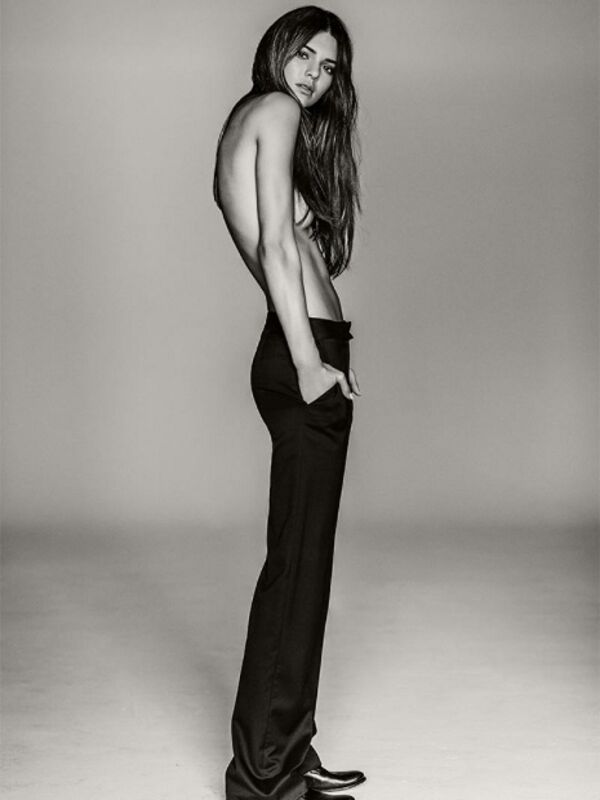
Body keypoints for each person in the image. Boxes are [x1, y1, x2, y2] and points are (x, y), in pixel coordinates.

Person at [213, 7, 364, 800]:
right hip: (302, 355)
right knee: (297, 567)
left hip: (308, 352)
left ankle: (288, 750)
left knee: (305, 567)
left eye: (328, 66)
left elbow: (287, 242)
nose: (313, 74)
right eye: (304, 54)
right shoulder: (272, 108)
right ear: (276, 51)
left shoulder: (259, 122)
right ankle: (262, 775)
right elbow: (274, 245)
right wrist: (310, 363)